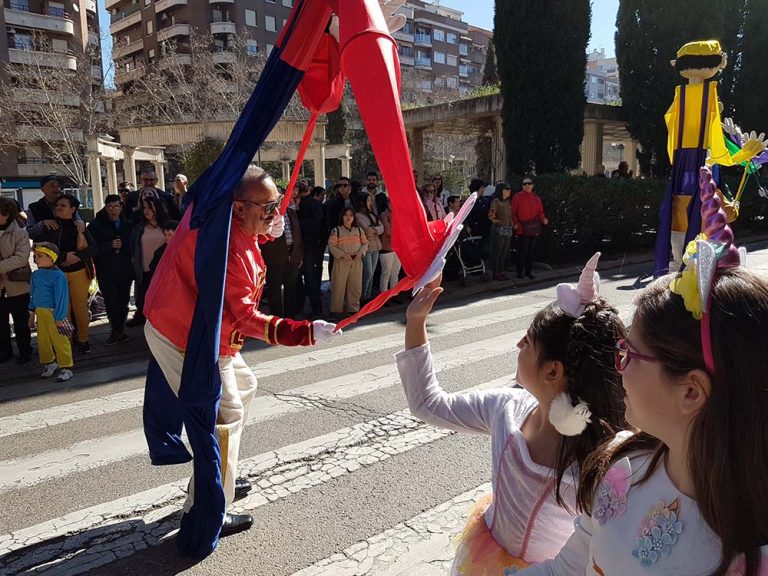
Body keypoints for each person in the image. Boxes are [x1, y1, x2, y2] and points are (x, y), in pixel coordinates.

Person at [518, 180, 768, 575]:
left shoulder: (748, 557)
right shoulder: (620, 466)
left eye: (628, 354)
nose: (618, 369)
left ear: (691, 391)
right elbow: (564, 569)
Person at [397, 253, 628, 573]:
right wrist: (416, 320)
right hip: (483, 560)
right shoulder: (506, 406)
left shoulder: (599, 458)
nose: (519, 343)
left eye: (529, 341)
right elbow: (428, 404)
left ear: (552, 371)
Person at [144, 165, 341, 536]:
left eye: (278, 205)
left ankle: (221, 477)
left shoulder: (224, 218)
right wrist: (305, 333)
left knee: (245, 385)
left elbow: (244, 243)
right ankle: (208, 505)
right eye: (267, 208)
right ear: (237, 208)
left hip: (196, 326)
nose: (275, 214)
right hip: (185, 334)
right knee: (223, 418)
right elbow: (247, 317)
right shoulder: (229, 244)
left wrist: (265, 232)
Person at [37, 194, 96, 355]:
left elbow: (93, 248)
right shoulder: (50, 226)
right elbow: (41, 248)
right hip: (57, 274)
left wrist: (76, 256)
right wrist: (63, 257)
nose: (58, 208)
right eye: (57, 205)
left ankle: (83, 340)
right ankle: (66, 342)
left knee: (80, 308)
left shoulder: (80, 226)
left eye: (63, 205)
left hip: (79, 272)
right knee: (63, 310)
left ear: (73, 209)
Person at [87, 195, 135, 345]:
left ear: (121, 208)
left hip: (125, 269)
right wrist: (109, 246)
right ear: (105, 207)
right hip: (106, 270)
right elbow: (91, 249)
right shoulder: (96, 225)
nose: (114, 210)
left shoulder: (128, 223)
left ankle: (120, 329)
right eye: (110, 207)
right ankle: (115, 329)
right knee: (111, 301)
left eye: (117, 207)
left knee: (124, 301)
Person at [28, 242, 74, 382]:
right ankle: (49, 363)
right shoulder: (35, 275)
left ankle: (66, 367)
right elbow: (33, 294)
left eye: (40, 256)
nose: (36, 259)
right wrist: (32, 313)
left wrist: (60, 316)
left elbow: (62, 297)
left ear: (51, 258)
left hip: (54, 313)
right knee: (43, 340)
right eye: (35, 256)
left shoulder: (58, 276)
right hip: (40, 312)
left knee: (60, 340)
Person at [128, 196, 169, 327]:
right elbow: (133, 248)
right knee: (143, 298)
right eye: (144, 207)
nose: (146, 210)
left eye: (149, 207)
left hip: (163, 271)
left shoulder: (167, 226)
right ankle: (144, 319)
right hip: (144, 270)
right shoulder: (139, 228)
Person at [0, 197, 32, 364]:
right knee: (1, 324)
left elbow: (20, 258)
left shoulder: (20, 232)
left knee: (21, 322)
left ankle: (25, 350)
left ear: (6, 215)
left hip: (18, 286)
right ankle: (5, 351)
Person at [261, 199, 303, 319]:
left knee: (291, 288)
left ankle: (290, 318)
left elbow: (298, 233)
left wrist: (300, 255)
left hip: (292, 257)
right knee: (275, 290)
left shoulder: (291, 212)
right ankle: (277, 320)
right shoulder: (267, 214)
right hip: (274, 259)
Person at [328, 207, 368, 318]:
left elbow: (365, 243)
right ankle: (336, 309)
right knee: (338, 286)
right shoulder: (337, 230)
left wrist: (361, 253)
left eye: (351, 215)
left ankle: (353, 309)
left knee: (355, 286)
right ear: (342, 216)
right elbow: (331, 246)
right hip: (342, 262)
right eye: (346, 215)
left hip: (356, 261)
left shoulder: (359, 230)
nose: (348, 217)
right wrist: (343, 255)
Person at [298, 184, 326, 319]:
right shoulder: (298, 203)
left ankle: (315, 308)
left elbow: (315, 223)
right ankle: (304, 306)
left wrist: (297, 221)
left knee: (309, 278)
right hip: (305, 246)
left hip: (308, 246)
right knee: (304, 279)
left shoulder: (313, 204)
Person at [511, 178, 548, 280]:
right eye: (524, 184)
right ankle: (520, 272)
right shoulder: (517, 197)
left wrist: (543, 219)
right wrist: (516, 223)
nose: (527, 185)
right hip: (522, 229)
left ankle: (528, 271)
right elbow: (513, 212)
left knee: (530, 252)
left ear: (533, 185)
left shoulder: (536, 198)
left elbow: (540, 212)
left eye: (529, 183)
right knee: (522, 251)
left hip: (533, 228)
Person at [354, 192, 383, 303]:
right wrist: (375, 230)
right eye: (368, 200)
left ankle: (368, 295)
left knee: (372, 272)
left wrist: (374, 230)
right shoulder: (357, 216)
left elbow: (382, 228)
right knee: (368, 273)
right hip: (366, 248)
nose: (370, 203)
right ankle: (362, 296)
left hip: (376, 246)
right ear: (362, 202)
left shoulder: (372, 215)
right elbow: (367, 230)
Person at [488, 183, 515, 281]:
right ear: (501, 191)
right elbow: (491, 215)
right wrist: (498, 222)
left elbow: (509, 215)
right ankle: (496, 272)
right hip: (499, 229)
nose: (509, 191)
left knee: (505, 251)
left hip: (507, 229)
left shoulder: (507, 202)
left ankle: (502, 271)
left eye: (509, 189)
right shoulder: (496, 201)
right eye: (506, 189)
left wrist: (512, 224)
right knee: (497, 251)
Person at [376, 193, 401, 296]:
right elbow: (388, 231)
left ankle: (393, 295)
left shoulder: (398, 214)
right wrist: (399, 233)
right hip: (387, 248)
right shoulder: (383, 215)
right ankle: (384, 295)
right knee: (386, 273)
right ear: (387, 203)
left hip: (397, 248)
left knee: (395, 273)